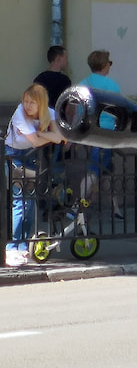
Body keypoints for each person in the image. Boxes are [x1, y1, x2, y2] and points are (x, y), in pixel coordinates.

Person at [5, 84, 65, 266]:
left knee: (30, 202)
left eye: (32, 102)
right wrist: (44, 134)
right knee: (19, 200)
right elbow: (39, 141)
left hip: (31, 158)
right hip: (14, 155)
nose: (27, 105)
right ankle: (11, 247)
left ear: (41, 104)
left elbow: (60, 136)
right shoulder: (19, 114)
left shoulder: (49, 112)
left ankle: (24, 245)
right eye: (25, 101)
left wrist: (42, 133)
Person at [78, 50, 124, 220]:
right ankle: (78, 204)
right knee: (95, 172)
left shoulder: (83, 84)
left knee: (104, 170)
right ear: (105, 65)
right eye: (109, 63)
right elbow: (119, 109)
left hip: (88, 132)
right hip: (105, 133)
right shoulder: (111, 85)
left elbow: (77, 108)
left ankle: (115, 207)